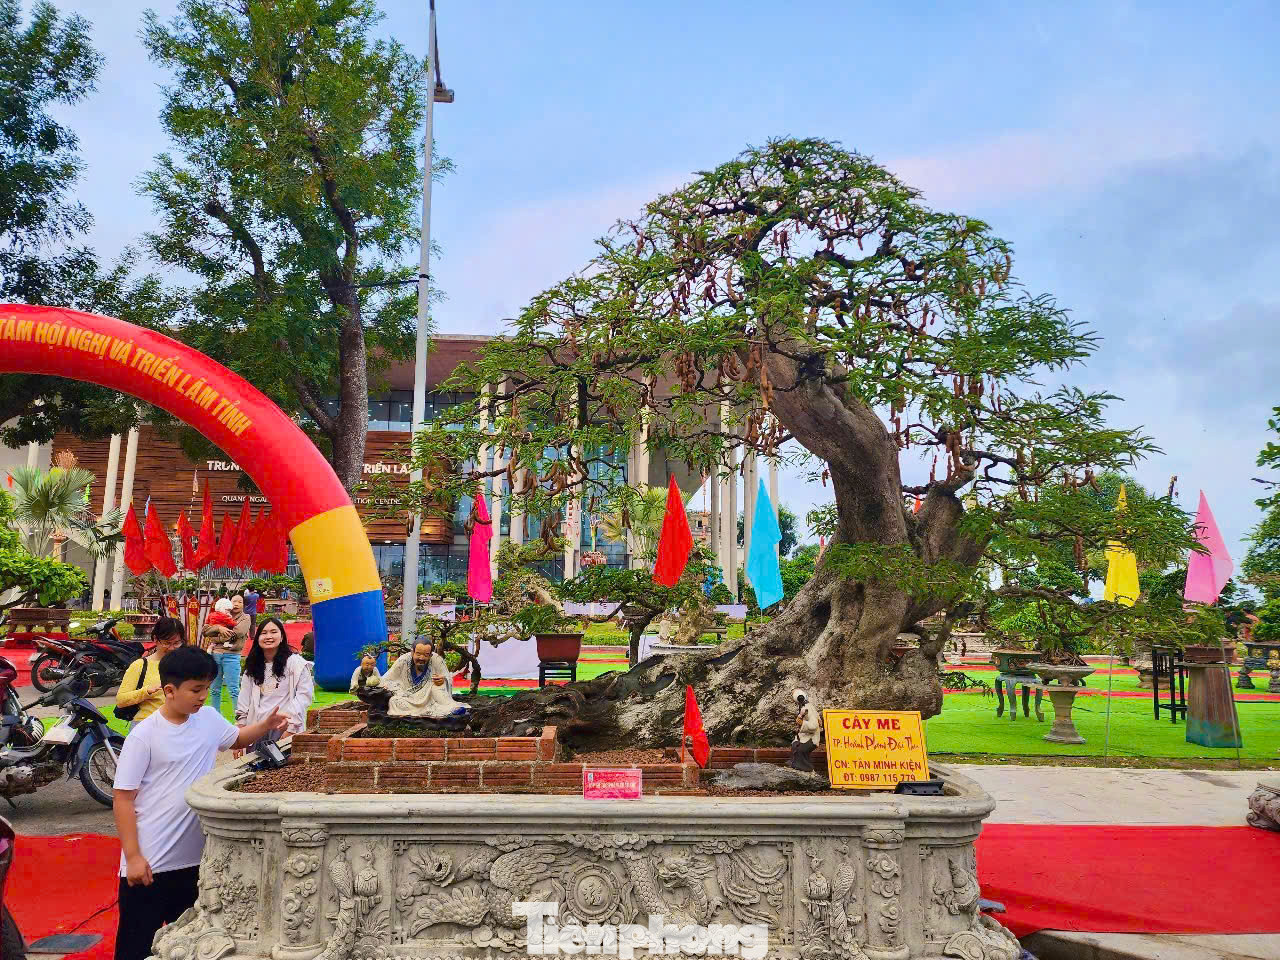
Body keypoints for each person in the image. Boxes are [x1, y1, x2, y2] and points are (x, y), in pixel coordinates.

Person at [112, 646, 288, 960]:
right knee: (138, 946)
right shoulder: (144, 736)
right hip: (153, 861)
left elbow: (237, 739)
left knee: (194, 945)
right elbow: (123, 798)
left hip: (199, 860)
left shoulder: (206, 717)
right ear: (169, 690)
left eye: (207, 688)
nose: (203, 696)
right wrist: (134, 856)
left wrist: (266, 725)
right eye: (196, 689)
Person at [237, 617, 314, 735]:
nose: (268, 636)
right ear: (258, 638)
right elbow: (244, 697)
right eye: (263, 633)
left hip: (284, 728)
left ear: (282, 637)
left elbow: (303, 697)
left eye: (273, 632)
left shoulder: (295, 663)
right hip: (257, 728)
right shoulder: (253, 666)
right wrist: (241, 728)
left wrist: (291, 726)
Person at [367, 639, 468, 719]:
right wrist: (396, 688)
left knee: (438, 684)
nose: (421, 658)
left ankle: (449, 709)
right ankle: (430, 711)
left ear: (431, 655)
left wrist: (443, 680)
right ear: (412, 652)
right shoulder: (403, 660)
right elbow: (386, 679)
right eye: (418, 654)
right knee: (394, 701)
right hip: (407, 697)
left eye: (426, 655)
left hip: (430, 697)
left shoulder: (437, 660)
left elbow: (447, 678)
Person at [115, 617, 185, 729]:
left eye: (177, 643)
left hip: (178, 725)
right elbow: (121, 700)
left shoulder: (185, 665)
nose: (172, 648)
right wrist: (146, 691)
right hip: (146, 725)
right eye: (167, 643)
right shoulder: (140, 665)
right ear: (155, 639)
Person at [206, 597, 249, 714]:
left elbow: (237, 633)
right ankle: (216, 716)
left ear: (243, 605)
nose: (237, 604)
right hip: (215, 655)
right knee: (214, 689)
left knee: (234, 689)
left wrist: (216, 637)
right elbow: (206, 630)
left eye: (240, 602)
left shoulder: (245, 618)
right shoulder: (218, 614)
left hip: (232, 656)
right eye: (234, 601)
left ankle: (240, 717)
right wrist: (219, 628)